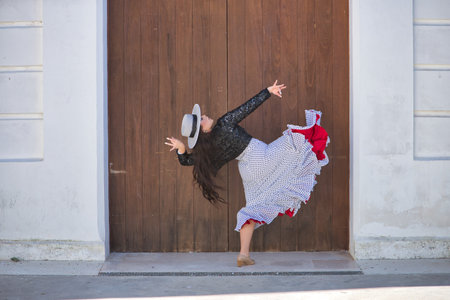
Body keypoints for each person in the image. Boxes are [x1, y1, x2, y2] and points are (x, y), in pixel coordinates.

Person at [165, 80, 329, 267]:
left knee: (252, 208)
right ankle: (244, 254)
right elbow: (247, 107)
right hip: (261, 156)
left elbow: (188, 161)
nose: (204, 115)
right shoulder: (224, 123)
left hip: (247, 170)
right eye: (201, 118)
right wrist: (268, 91)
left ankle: (244, 254)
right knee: (300, 141)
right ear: (202, 128)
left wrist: (181, 149)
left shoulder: (208, 149)